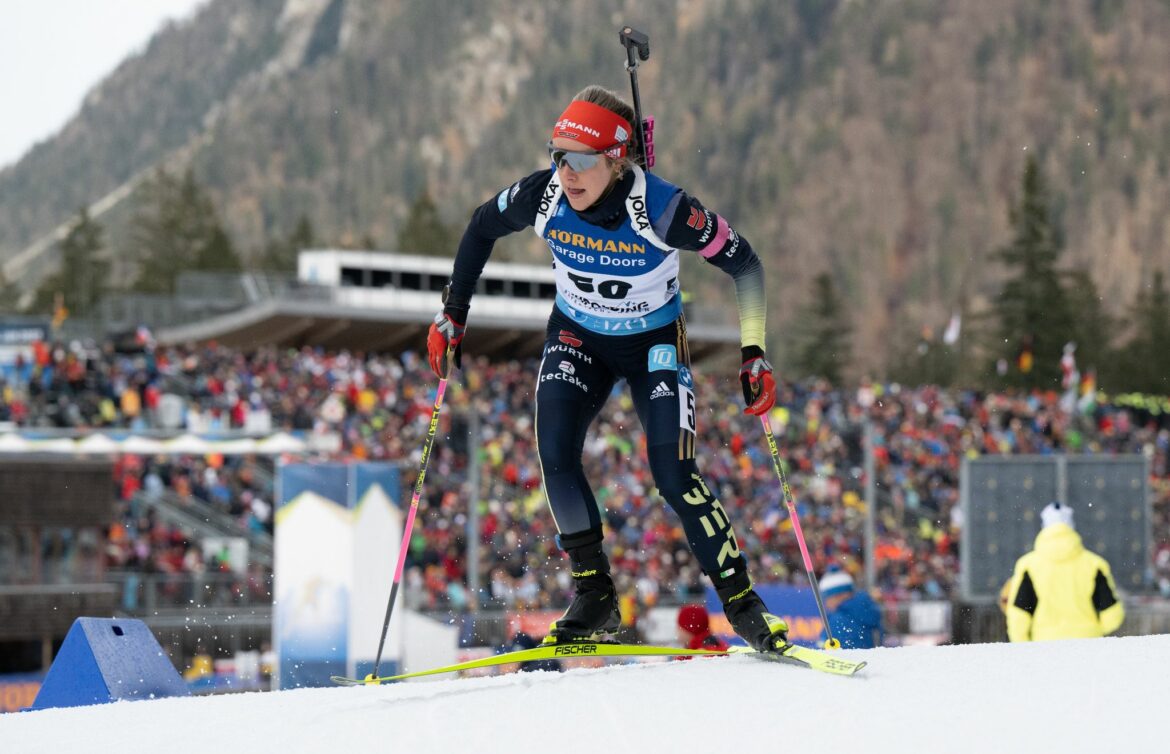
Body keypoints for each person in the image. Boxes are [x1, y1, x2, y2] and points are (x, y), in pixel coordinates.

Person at [427, 85, 788, 654]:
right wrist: (453, 313)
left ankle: (743, 605)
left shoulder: (664, 209)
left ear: (617, 159)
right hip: (577, 336)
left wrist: (753, 350)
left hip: (652, 346)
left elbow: (745, 264)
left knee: (673, 475)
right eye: (558, 156)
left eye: (582, 160)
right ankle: (594, 593)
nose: (567, 174)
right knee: (555, 454)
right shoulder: (543, 195)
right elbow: (479, 226)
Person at [1004, 501, 1125, 642]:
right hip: (1088, 646)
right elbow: (1112, 616)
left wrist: (1024, 646)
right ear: (1071, 526)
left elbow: (1019, 616)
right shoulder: (1094, 564)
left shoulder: (1028, 565)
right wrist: (1091, 631)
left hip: (1044, 646)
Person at [818, 569, 883, 649]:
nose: (826, 603)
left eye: (827, 598)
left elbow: (823, 650)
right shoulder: (865, 609)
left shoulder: (840, 619)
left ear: (839, 595)